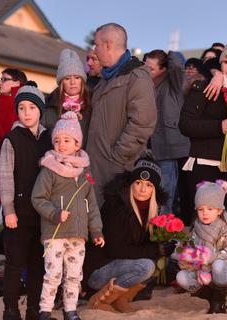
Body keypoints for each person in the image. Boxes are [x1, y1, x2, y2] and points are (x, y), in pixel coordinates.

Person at [32, 111, 103, 320]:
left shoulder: (83, 172)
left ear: (77, 144)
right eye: (57, 141)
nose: (61, 145)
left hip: (78, 235)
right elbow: (38, 198)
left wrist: (96, 231)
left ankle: (70, 312)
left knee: (74, 276)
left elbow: (91, 205)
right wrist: (54, 213)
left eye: (67, 140)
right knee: (53, 273)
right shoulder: (49, 169)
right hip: (55, 234)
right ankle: (44, 312)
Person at [83, 158, 175, 313]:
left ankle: (121, 299)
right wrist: (155, 250)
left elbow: (142, 246)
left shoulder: (151, 210)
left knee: (160, 263)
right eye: (138, 183)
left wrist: (164, 245)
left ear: (154, 189)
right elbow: (115, 250)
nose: (142, 189)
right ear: (131, 183)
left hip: (120, 266)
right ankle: (101, 299)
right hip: (99, 269)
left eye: (148, 185)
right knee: (146, 266)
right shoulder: (116, 205)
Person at [179, 40, 227, 220]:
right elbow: (185, 125)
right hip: (205, 162)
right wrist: (218, 126)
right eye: (226, 62)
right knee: (205, 218)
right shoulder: (206, 87)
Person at [0, 82, 53, 320]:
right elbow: (5, 178)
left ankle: (34, 308)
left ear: (40, 110)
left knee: (37, 263)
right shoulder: (12, 139)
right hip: (18, 213)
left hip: (40, 213)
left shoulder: (48, 138)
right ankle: (10, 311)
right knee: (15, 263)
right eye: (22, 108)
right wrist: (8, 210)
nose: (27, 112)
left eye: (32, 107)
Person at [88, 23, 157, 205]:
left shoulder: (137, 78)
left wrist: (117, 157)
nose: (94, 51)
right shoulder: (104, 80)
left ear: (108, 45)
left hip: (117, 170)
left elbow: (143, 123)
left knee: (114, 226)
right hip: (96, 167)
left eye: (97, 45)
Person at [176, 181, 227, 314]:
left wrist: (209, 256)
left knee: (218, 265)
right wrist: (186, 257)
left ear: (219, 210)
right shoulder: (195, 228)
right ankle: (212, 298)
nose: (205, 213)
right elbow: (186, 260)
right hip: (203, 275)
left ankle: (219, 301)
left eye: (210, 209)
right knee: (181, 277)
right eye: (201, 209)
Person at [143, 49, 189, 214]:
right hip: (146, 148)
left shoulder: (173, 82)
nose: (147, 71)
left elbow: (177, 65)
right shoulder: (144, 85)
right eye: (145, 66)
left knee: (165, 195)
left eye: (151, 68)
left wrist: (171, 54)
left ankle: (163, 232)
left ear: (163, 69)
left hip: (167, 149)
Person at [0, 68, 27, 235]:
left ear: (17, 83)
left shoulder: (24, 103)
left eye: (4, 79)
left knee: (15, 204)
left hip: (17, 162)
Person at [42, 49, 92, 146]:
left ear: (82, 80)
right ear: (61, 82)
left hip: (85, 160)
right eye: (67, 78)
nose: (73, 82)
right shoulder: (49, 106)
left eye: (77, 77)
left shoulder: (92, 104)